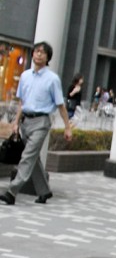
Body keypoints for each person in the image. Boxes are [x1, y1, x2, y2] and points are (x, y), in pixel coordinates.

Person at [0, 41, 72, 205]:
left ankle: (12, 191)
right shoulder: (25, 76)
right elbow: (22, 102)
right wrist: (16, 122)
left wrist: (67, 127)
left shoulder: (53, 79)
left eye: (43, 52)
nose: (39, 54)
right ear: (32, 54)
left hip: (41, 122)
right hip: (25, 120)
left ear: (48, 58)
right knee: (33, 158)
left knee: (27, 156)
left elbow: (60, 105)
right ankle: (44, 191)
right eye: (36, 51)